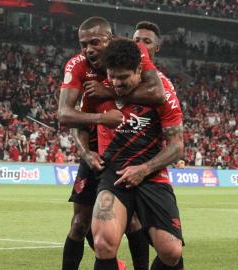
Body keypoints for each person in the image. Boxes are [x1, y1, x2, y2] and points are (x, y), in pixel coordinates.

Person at [58, 16, 166, 270]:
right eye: (83, 44)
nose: (88, 50)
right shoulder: (78, 65)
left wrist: (110, 92)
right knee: (79, 224)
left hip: (129, 146)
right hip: (95, 151)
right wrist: (89, 144)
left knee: (133, 223)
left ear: (111, 38)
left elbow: (157, 93)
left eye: (95, 42)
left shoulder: (133, 53)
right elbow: (66, 115)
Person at [82, 39, 185, 270]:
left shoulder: (164, 93)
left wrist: (144, 169)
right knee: (103, 242)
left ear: (139, 70)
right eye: (112, 77)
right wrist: (85, 150)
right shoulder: (97, 89)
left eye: (124, 78)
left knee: (171, 251)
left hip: (152, 174)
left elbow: (177, 147)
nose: (117, 84)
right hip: (114, 172)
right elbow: (77, 122)